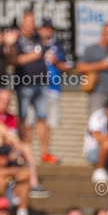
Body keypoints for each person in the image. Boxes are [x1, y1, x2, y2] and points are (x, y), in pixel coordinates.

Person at [6, 12, 51, 160]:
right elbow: (13, 60)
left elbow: (49, 39)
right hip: (24, 85)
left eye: (33, 23)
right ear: (21, 25)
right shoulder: (17, 40)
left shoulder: (38, 39)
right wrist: (33, 56)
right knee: (24, 119)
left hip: (41, 84)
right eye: (28, 23)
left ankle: (45, 153)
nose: (31, 26)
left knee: (42, 118)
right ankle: (26, 152)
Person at [38, 18, 72, 162]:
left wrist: (56, 61)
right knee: (37, 120)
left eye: (49, 28)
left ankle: (45, 152)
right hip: (35, 87)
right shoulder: (33, 44)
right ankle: (40, 152)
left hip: (53, 88)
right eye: (44, 28)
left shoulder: (59, 46)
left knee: (49, 122)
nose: (46, 31)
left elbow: (69, 67)